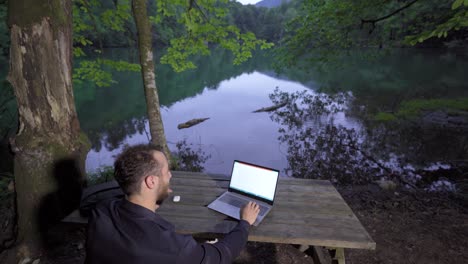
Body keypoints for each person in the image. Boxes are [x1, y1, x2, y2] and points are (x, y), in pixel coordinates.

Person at [85, 144, 260, 264]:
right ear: (151, 182)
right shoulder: (171, 247)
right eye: (166, 172)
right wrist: (244, 223)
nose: (170, 175)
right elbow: (221, 255)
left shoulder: (101, 211)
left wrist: (152, 201)